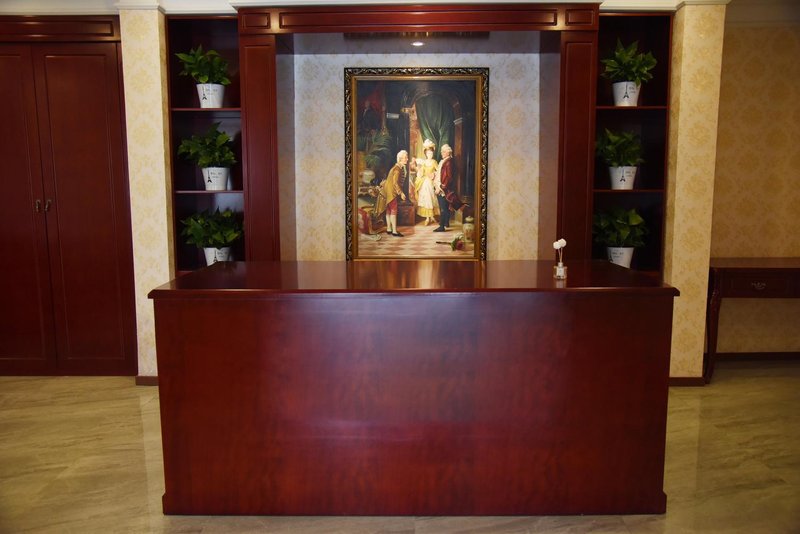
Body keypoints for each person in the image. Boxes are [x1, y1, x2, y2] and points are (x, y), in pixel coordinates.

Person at [375, 150, 408, 237]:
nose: (407, 159)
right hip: (392, 192)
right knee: (393, 210)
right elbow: (395, 183)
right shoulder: (397, 169)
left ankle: (389, 228)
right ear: (400, 159)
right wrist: (401, 193)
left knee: (389, 210)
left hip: (388, 192)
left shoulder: (395, 167)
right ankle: (394, 231)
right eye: (405, 158)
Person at [433, 144, 462, 232]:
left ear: (448, 152)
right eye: (442, 151)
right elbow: (442, 174)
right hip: (442, 186)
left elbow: (449, 177)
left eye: (444, 151)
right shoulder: (445, 161)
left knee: (443, 207)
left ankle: (441, 226)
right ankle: (446, 222)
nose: (442, 153)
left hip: (443, 188)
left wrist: (442, 187)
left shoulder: (448, 162)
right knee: (445, 206)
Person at [414, 139, 439, 226]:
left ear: (433, 154)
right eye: (428, 153)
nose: (430, 155)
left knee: (431, 198)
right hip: (424, 182)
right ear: (426, 154)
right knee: (426, 198)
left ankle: (431, 216)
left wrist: (433, 174)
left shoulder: (434, 162)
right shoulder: (424, 162)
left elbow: (438, 171)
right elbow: (421, 173)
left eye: (431, 153)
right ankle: (428, 218)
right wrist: (419, 170)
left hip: (431, 182)